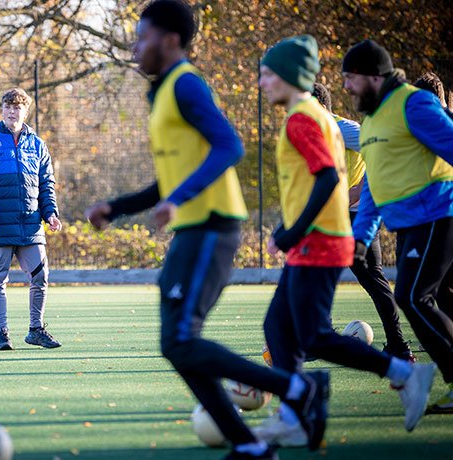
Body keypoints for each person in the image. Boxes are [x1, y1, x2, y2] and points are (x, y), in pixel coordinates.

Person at [86, 3, 331, 459]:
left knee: (181, 339)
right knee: (177, 346)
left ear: (171, 41)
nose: (135, 47)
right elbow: (173, 176)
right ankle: (251, 444)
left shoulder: (186, 84)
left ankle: (298, 388)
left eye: (143, 38)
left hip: (212, 228)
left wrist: (177, 200)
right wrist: (117, 207)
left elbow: (229, 145)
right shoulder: (162, 94)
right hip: (193, 230)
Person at [254, 35, 436, 448]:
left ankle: (405, 373)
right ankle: (293, 415)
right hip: (315, 242)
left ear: (289, 76)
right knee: (279, 329)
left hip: (319, 243)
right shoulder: (313, 117)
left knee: (313, 335)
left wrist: (290, 232)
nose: (262, 82)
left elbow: (329, 179)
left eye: (268, 74)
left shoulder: (305, 118)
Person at [343, 40, 453, 414]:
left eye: (351, 78)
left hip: (438, 217)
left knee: (411, 296)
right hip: (411, 225)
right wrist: (361, 236)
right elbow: (375, 183)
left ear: (374, 77)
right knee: (446, 301)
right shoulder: (373, 120)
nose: (346, 87)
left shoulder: (413, 103)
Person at [311, 82, 413, 361]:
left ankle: (399, 347)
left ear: (318, 105)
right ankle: (320, 338)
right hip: (333, 217)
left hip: (358, 217)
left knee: (374, 282)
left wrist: (358, 191)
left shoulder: (344, 129)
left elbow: (383, 154)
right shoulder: (314, 132)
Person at [0, 87, 62, 351]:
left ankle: (36, 330)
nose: (12, 111)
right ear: (2, 110)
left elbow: (47, 184)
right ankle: (2, 334)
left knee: (41, 277)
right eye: (8, 107)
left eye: (17, 107)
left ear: (25, 111)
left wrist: (50, 213)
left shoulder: (38, 145)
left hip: (31, 226)